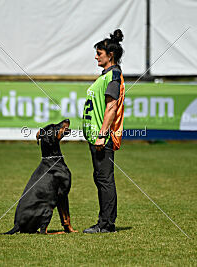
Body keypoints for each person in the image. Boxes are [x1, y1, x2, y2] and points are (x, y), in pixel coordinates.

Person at [82, 29, 125, 233]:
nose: (96, 56)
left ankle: (106, 224)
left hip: (103, 138)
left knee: (105, 180)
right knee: (100, 179)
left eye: (99, 53)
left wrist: (101, 135)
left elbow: (111, 107)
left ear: (111, 56)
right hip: (96, 137)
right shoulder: (106, 75)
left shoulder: (114, 75)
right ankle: (104, 222)